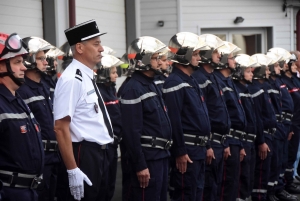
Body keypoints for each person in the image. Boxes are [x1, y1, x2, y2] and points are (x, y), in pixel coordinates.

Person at [53, 19, 114, 201]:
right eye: (96, 44)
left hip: (101, 154)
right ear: (79, 48)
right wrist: (72, 170)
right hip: (84, 155)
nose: (101, 49)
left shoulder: (87, 76)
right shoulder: (72, 79)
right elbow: (60, 127)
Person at [119, 36, 172, 201]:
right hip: (148, 160)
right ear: (144, 61)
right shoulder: (133, 89)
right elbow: (131, 133)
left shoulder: (150, 84)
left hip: (160, 156)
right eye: (156, 58)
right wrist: (140, 165)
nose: (160, 62)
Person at [163, 32, 211, 200]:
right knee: (186, 194)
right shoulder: (174, 82)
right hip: (188, 152)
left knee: (197, 193)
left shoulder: (191, 80)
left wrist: (207, 145)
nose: (199, 58)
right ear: (184, 56)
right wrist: (180, 152)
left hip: (198, 151)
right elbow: (174, 121)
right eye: (196, 54)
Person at [0, 32, 44, 201]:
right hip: (10, 193)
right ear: (2, 66)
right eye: (17, 62)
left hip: (30, 192)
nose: (24, 67)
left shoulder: (17, 99)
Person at [17, 36, 60, 201]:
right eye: (41, 58)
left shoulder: (44, 86)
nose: (46, 62)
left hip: (54, 157)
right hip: (39, 160)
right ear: (29, 60)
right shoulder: (23, 90)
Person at [192, 34, 230, 201]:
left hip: (219, 142)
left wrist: (225, 141)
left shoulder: (213, 77)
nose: (219, 55)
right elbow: (201, 115)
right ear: (206, 54)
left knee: (215, 185)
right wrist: (208, 144)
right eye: (215, 52)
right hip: (210, 143)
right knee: (207, 187)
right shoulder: (199, 78)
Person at [212, 40, 247, 201]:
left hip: (235, 140)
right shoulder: (218, 81)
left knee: (232, 181)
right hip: (227, 140)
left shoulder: (229, 81)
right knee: (224, 184)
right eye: (232, 58)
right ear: (225, 60)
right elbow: (220, 115)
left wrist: (239, 144)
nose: (235, 61)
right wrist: (227, 142)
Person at [248, 54, 277, 201]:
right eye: (265, 69)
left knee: (266, 170)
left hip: (269, 134)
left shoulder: (261, 87)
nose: (268, 71)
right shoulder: (255, 90)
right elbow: (258, 117)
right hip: (263, 135)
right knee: (260, 171)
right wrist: (261, 140)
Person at [95, 54, 123, 201]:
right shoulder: (98, 92)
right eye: (113, 72)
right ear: (104, 73)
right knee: (103, 183)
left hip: (113, 144)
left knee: (110, 184)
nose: (116, 75)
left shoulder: (111, 90)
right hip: (104, 146)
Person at [232, 54, 258, 201]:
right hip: (243, 141)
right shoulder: (237, 90)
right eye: (248, 71)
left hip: (250, 141)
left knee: (249, 176)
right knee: (242, 177)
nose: (251, 74)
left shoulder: (246, 89)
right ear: (239, 72)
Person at [280, 53, 300, 194]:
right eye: (292, 64)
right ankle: (286, 183)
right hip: (291, 124)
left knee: (293, 154)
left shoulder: (294, 80)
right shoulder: (283, 82)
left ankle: (290, 181)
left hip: (298, 122)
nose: (295, 66)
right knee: (289, 155)